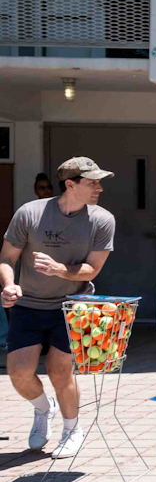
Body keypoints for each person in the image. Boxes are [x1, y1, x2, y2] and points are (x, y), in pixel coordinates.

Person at [2, 157, 115, 459]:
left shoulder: (102, 220)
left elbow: (91, 270)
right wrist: (8, 285)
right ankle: (44, 408)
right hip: (28, 305)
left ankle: (72, 429)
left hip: (72, 306)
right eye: (93, 183)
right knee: (19, 373)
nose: (99, 188)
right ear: (70, 184)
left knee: (60, 371)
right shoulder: (30, 213)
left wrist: (59, 270)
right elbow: (6, 258)